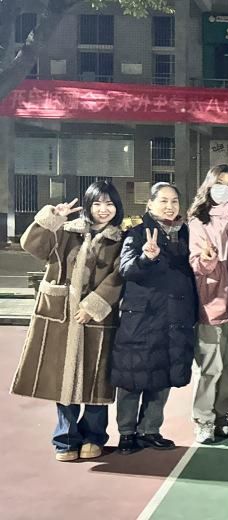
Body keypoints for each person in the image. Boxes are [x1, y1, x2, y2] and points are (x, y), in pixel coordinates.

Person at [12, 182, 124, 462]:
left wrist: (93, 306)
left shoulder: (120, 239)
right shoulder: (66, 231)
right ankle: (65, 439)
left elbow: (119, 276)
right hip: (61, 317)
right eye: (97, 203)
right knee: (64, 379)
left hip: (98, 320)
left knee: (96, 379)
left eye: (109, 204)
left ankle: (94, 437)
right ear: (88, 206)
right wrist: (52, 218)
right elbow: (32, 246)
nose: (103, 210)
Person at [111, 182, 197, 455]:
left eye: (174, 201)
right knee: (132, 377)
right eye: (163, 201)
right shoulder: (138, 233)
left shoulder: (186, 233)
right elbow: (126, 269)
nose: (169, 206)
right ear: (149, 204)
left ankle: (150, 430)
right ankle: (126, 432)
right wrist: (146, 258)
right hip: (142, 319)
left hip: (175, 318)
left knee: (162, 375)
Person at [187, 164, 228, 444]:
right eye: (220, 183)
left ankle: (223, 415)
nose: (225, 189)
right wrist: (208, 259)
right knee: (211, 366)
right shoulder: (198, 221)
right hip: (210, 302)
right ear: (209, 185)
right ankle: (203, 419)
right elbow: (196, 263)